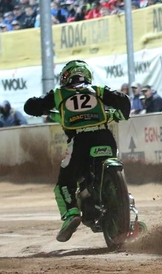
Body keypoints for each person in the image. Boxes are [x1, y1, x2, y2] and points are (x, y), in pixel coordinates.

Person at [23, 60, 131, 242]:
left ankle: (71, 214)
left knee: (64, 184)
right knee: (110, 165)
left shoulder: (59, 94)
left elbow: (30, 106)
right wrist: (120, 115)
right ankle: (129, 210)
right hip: (104, 137)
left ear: (66, 76)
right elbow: (123, 100)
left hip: (80, 141)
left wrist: (45, 108)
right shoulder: (98, 90)